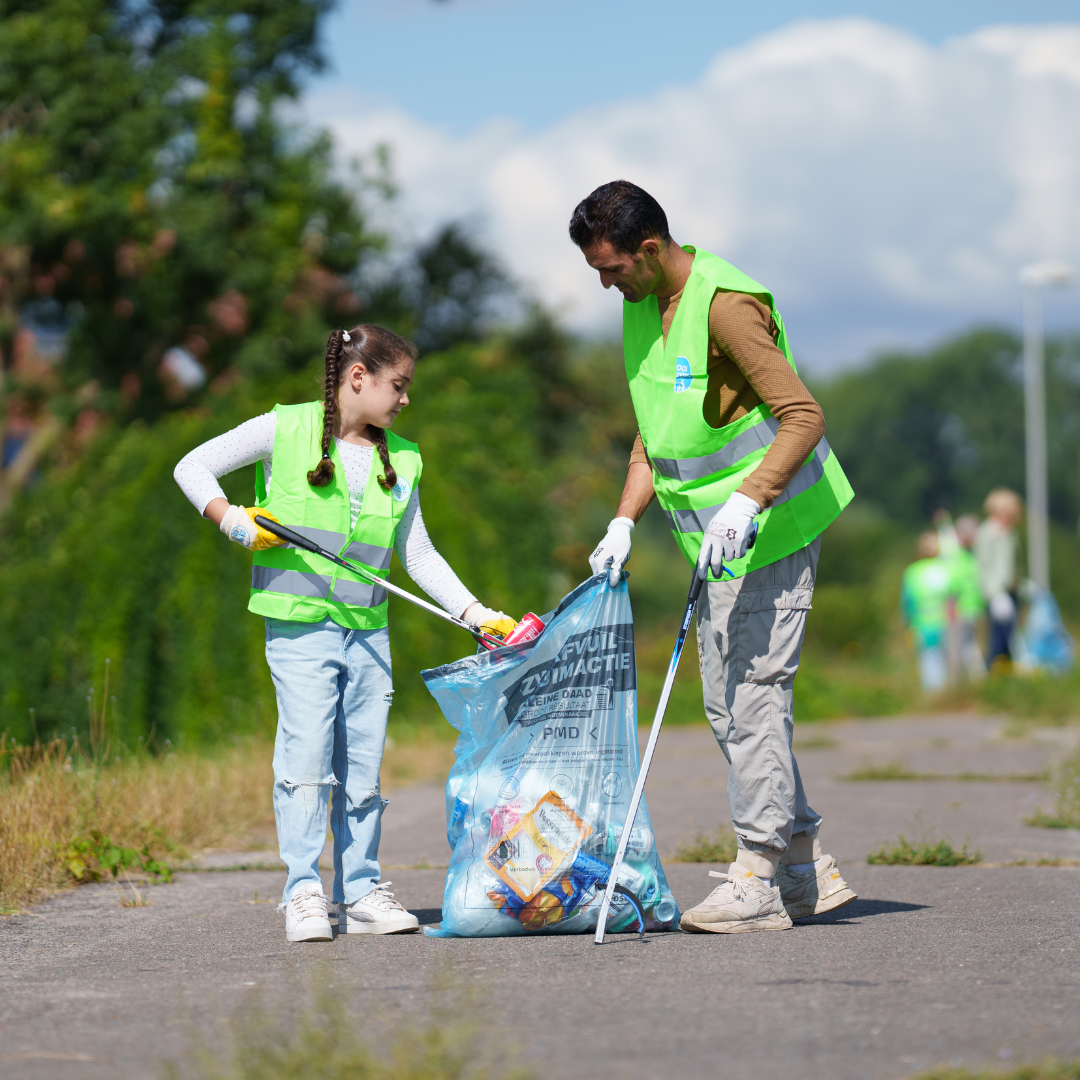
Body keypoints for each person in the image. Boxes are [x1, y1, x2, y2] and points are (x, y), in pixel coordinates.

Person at [570, 180, 856, 933]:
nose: (605, 283)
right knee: (727, 704)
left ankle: (758, 877)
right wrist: (623, 521)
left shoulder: (726, 305)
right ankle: (805, 866)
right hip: (715, 537)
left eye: (612, 267)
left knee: (757, 691)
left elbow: (802, 415)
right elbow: (654, 431)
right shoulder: (639, 309)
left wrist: (750, 498)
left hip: (775, 523)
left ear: (652, 249)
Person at [174, 325, 515, 943]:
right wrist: (234, 523)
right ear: (359, 378)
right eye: (398, 386)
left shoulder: (404, 458)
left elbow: (419, 552)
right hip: (300, 629)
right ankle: (303, 891)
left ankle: (359, 891)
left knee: (362, 767)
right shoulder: (283, 429)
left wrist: (476, 614)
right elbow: (192, 466)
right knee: (305, 760)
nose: (405, 400)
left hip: (367, 632)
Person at [975, 488, 1023, 668]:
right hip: (998, 594)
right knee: (998, 639)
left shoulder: (1009, 533)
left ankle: (1007, 675)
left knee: (1010, 639)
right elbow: (984, 566)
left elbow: (1012, 566)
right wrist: (994, 594)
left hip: (1011, 591)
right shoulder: (987, 532)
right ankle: (994, 673)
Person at [900, 532, 953, 692]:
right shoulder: (946, 568)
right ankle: (940, 698)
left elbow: (906, 602)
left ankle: (939, 696)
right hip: (934, 624)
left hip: (934, 623)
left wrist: (907, 622)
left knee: (933, 663)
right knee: (937, 662)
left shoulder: (913, 571)